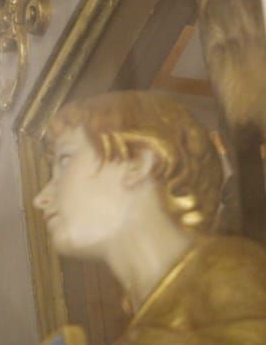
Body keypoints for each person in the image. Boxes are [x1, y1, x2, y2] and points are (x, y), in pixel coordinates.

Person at [35, 91, 266, 343]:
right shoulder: (150, 319)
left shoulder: (231, 279)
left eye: (65, 160)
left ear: (137, 161)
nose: (41, 198)